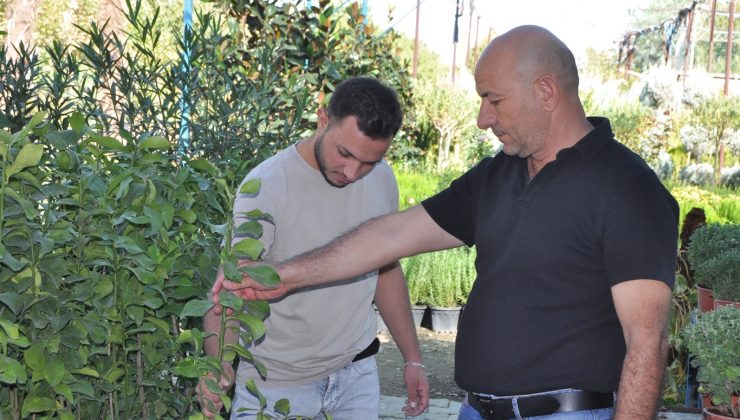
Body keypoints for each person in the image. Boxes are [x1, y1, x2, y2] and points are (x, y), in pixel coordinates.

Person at [215, 26, 680, 420]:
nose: (482, 119)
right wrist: (284, 275)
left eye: (493, 101)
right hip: (476, 408)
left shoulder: (626, 188)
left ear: (545, 92)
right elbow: (391, 235)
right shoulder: (499, 174)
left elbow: (648, 342)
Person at [197, 77, 429, 419]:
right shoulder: (266, 185)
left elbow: (386, 270)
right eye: (345, 153)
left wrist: (413, 358)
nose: (353, 172)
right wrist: (218, 364)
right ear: (322, 119)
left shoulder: (382, 179)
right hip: (275, 383)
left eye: (369, 161)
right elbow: (230, 285)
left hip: (356, 374)